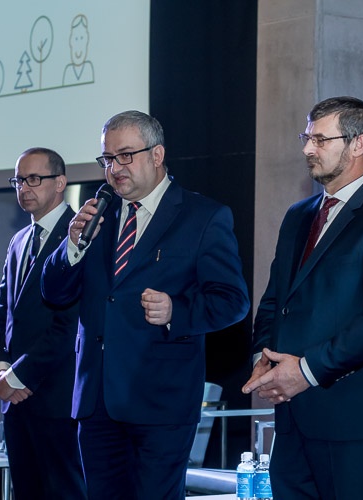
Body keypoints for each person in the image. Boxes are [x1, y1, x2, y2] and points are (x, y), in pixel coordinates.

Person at [41, 110, 250, 499]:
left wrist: (176, 310)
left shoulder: (202, 217)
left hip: (161, 403)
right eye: (107, 159)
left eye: (125, 155)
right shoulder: (96, 215)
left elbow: (233, 301)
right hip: (96, 402)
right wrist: (71, 245)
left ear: (157, 155)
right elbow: (53, 292)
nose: (114, 168)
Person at [242, 96, 363, 499]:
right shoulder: (299, 215)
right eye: (306, 138)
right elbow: (275, 300)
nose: (308, 149)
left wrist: (306, 371)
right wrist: (265, 358)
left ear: (358, 144)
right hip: (293, 420)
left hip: (358, 422)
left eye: (321, 139)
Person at [0, 147, 86, 499]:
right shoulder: (19, 240)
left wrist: (19, 377)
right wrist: (1, 367)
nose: (24, 188)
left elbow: (69, 325)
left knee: (64, 492)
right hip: (16, 400)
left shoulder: (81, 235)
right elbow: (0, 313)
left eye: (33, 179)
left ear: (60, 183)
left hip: (58, 398)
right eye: (18, 180)